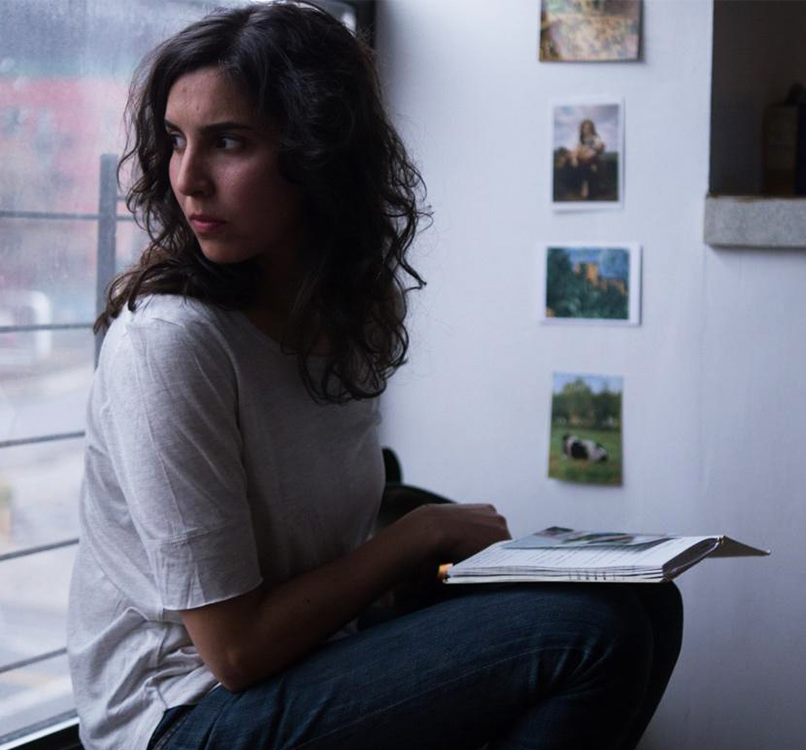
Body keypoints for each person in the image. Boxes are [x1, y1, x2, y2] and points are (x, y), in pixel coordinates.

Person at [67, 3, 683, 749]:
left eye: (227, 142)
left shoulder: (341, 314)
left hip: (302, 667)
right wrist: (418, 533)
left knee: (648, 602)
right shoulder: (171, 342)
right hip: (182, 715)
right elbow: (234, 651)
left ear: (316, 153)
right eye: (174, 141)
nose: (188, 179)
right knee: (591, 633)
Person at [569, 118, 605, 199]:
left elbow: (597, 148)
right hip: (583, 159)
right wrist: (574, 158)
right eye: (584, 128)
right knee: (578, 159)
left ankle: (585, 185)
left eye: (589, 128)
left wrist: (588, 151)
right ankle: (585, 183)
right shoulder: (580, 139)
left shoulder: (595, 138)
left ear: (592, 129)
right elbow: (576, 150)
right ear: (582, 129)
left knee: (589, 160)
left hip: (592, 159)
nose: (586, 130)